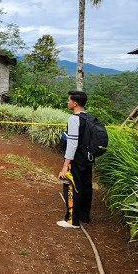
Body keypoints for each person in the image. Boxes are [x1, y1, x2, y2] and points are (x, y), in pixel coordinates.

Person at [57, 90, 93, 229]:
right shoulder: (89, 118)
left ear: (75, 103)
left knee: (72, 187)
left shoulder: (73, 119)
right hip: (87, 159)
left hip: (76, 160)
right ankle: (84, 216)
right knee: (85, 187)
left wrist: (66, 165)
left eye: (69, 100)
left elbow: (72, 144)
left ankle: (72, 220)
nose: (68, 102)